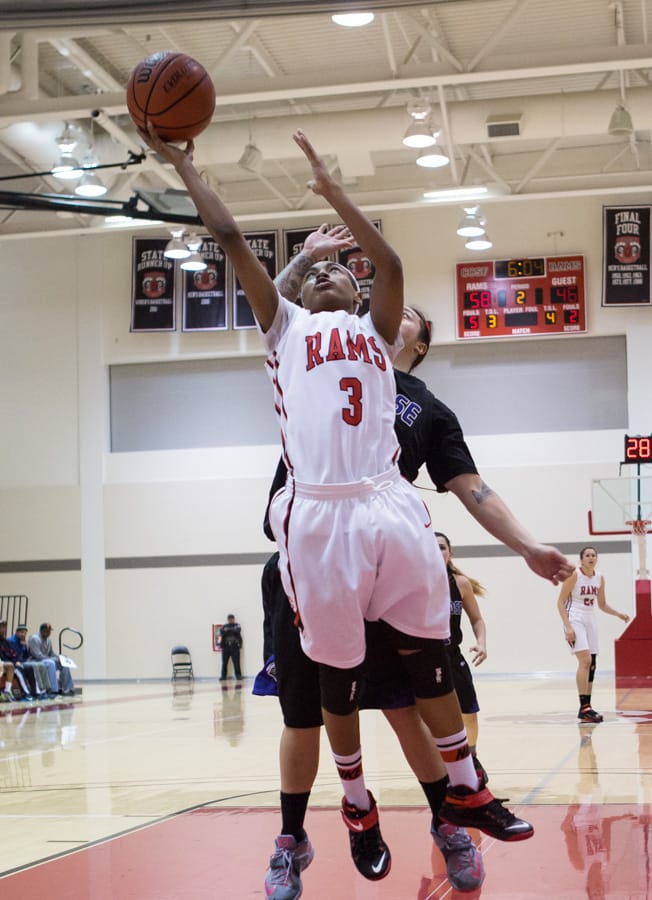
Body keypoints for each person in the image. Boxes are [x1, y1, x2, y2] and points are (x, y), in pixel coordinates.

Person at [140, 123, 572, 890]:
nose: (335, 273)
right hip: (318, 517)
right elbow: (231, 233)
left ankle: (465, 790)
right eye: (320, 272)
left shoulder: (380, 337)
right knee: (329, 685)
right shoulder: (285, 329)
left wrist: (339, 194)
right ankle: (353, 807)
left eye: (347, 269)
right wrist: (184, 164)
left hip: (389, 507)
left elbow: (394, 264)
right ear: (299, 292)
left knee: (427, 670)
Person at [259, 222, 573, 896]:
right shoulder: (311, 357)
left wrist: (526, 546)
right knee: (304, 711)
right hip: (315, 552)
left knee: (408, 707)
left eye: (401, 312)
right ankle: (294, 837)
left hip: (389, 555)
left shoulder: (429, 410)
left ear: (413, 338)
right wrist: (305, 262)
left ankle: (449, 820)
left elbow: (472, 488)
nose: (382, 307)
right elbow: (275, 312)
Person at [557, 546, 630, 723]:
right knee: (585, 660)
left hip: (590, 619)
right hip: (574, 617)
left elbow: (602, 604)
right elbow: (560, 603)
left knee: (592, 664)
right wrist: (567, 627)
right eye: (587, 555)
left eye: (593, 555)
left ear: (596, 559)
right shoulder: (575, 575)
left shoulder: (599, 577)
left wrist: (619, 614)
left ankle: (586, 707)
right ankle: (584, 707)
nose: (591, 558)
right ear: (581, 559)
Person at [435, 532, 487, 772]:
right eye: (431, 547)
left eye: (442, 547)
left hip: (452, 654)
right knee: (429, 717)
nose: (437, 551)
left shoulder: (460, 583)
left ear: (450, 553)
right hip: (425, 657)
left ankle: (472, 758)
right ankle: (440, 765)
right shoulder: (413, 581)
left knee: (469, 711)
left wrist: (481, 642)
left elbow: (477, 619)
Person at [28, 622, 75, 696]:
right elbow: (37, 655)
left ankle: (68, 688)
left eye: (49, 631)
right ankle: (53, 689)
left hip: (47, 660)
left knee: (64, 663)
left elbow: (51, 654)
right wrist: (54, 659)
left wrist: (59, 657)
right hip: (36, 661)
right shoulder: (35, 638)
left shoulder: (48, 640)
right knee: (51, 663)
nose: (48, 633)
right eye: (46, 631)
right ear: (41, 631)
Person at [8, 624, 52, 700]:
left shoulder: (23, 641)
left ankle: (46, 689)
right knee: (34, 665)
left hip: (24, 661)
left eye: (25, 633)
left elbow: (27, 655)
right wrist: (18, 661)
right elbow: (12, 655)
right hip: (17, 662)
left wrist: (27, 646)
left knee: (41, 665)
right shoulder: (12, 641)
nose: (23, 634)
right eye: (21, 632)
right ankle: (39, 690)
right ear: (16, 632)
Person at [0, 619, 32, 700]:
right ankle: (26, 692)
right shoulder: (11, 640)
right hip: (2, 662)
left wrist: (15, 661)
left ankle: (7, 691)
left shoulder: (4, 641)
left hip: (5, 662)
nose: (3, 629)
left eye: (4, 627)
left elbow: (12, 653)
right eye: (1, 627)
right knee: (16, 668)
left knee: (14, 666)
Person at [219, 615, 243, 681]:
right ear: (228, 619)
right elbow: (222, 632)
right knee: (224, 663)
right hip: (226, 647)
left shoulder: (237, 625)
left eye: (232, 619)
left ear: (233, 619)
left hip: (235, 646)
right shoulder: (224, 626)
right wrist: (230, 631)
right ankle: (223, 676)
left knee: (236, 663)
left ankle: (238, 676)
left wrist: (228, 630)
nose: (230, 620)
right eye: (229, 619)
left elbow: (237, 631)